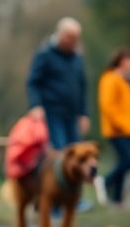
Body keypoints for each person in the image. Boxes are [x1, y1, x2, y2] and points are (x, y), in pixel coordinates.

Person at [26, 17, 89, 150]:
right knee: (59, 150)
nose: (73, 41)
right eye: (70, 37)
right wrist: (36, 105)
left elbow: (82, 86)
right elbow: (33, 82)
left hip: (72, 114)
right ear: (60, 34)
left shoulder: (77, 58)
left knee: (75, 151)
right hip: (51, 112)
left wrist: (84, 113)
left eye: (76, 38)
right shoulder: (45, 54)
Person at [98, 48, 130, 207]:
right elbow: (108, 107)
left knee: (124, 164)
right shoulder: (110, 78)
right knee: (129, 160)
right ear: (121, 61)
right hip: (116, 130)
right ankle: (105, 182)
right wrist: (124, 126)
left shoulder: (128, 81)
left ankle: (118, 200)